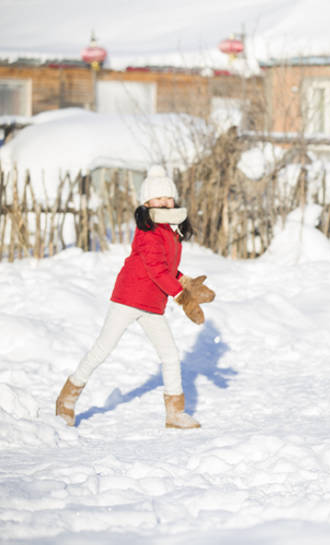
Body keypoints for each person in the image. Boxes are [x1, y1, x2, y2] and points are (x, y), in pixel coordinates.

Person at [55, 165, 215, 429]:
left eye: (168, 197)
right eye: (158, 197)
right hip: (128, 299)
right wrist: (182, 296)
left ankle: (175, 413)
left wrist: (185, 282)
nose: (164, 201)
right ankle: (67, 399)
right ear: (147, 202)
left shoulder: (171, 230)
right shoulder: (150, 230)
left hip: (153, 304)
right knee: (102, 349)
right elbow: (156, 269)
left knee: (171, 355)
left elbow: (169, 269)